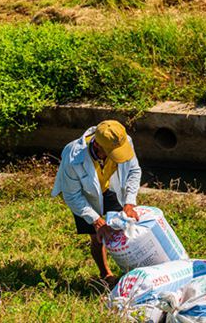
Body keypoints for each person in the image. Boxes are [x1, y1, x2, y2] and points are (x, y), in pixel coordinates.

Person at [51, 120, 142, 286]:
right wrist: (96, 221)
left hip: (109, 187)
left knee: (126, 226)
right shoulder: (74, 157)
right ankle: (105, 274)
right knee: (97, 236)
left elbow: (134, 171)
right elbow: (72, 195)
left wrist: (129, 202)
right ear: (98, 146)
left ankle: (134, 272)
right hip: (84, 195)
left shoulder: (123, 141)